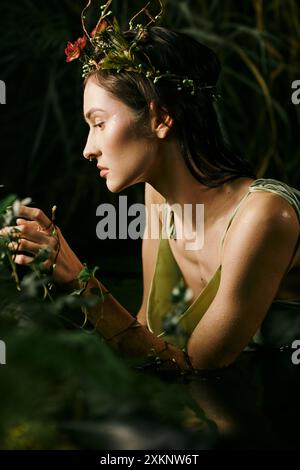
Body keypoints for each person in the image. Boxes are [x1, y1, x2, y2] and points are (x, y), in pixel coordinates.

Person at [4, 0, 300, 374]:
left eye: (98, 123)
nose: (87, 149)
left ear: (160, 118)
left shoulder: (266, 216)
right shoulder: (158, 199)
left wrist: (79, 278)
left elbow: (193, 369)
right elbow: (148, 339)